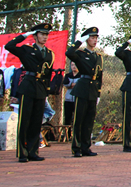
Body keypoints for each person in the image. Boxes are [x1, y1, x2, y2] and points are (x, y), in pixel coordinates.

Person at [5, 23, 55, 162]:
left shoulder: (50, 53)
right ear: (35, 36)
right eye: (42, 34)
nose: (44, 37)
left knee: (36, 122)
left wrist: (46, 91)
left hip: (40, 88)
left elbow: (48, 74)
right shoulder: (27, 50)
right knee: (25, 120)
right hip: (28, 86)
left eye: (46, 34)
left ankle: (33, 152)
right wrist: (24, 35)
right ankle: (23, 152)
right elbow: (9, 46)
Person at [66, 27, 103, 158]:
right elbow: (69, 52)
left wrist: (98, 94)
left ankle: (86, 147)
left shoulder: (98, 57)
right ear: (87, 39)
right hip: (82, 88)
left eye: (96, 38)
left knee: (89, 121)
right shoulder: (80, 54)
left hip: (93, 89)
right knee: (79, 120)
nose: (95, 40)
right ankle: (76, 147)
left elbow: (100, 76)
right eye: (92, 38)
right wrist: (79, 41)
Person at [63, 61, 80, 125]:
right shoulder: (68, 75)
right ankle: (67, 131)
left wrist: (72, 85)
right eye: (72, 65)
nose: (74, 67)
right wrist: (73, 85)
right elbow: (66, 84)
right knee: (67, 118)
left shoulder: (81, 75)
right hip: (68, 99)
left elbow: (80, 85)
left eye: (75, 65)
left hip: (77, 99)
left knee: (77, 118)